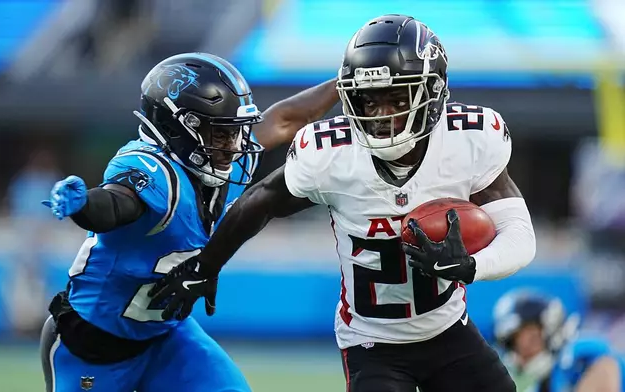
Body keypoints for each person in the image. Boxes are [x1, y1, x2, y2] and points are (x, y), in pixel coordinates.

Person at [148, 15, 537, 392]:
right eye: (369, 101)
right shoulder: (331, 154)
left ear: (432, 93)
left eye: (395, 97)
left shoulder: (468, 141)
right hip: (372, 344)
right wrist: (208, 262)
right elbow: (263, 199)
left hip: (448, 329)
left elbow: (519, 234)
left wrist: (472, 266)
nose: (382, 115)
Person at [38, 52, 339, 392]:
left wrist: (344, 83)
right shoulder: (154, 172)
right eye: (220, 134)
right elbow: (117, 204)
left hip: (166, 337)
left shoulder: (225, 163)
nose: (235, 147)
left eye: (235, 132)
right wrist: (84, 205)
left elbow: (284, 119)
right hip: (92, 347)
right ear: (178, 128)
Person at [494, 289, 625, 392]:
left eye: (531, 337)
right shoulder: (544, 385)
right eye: (515, 342)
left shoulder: (576, 355)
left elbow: (606, 367)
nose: (523, 347)